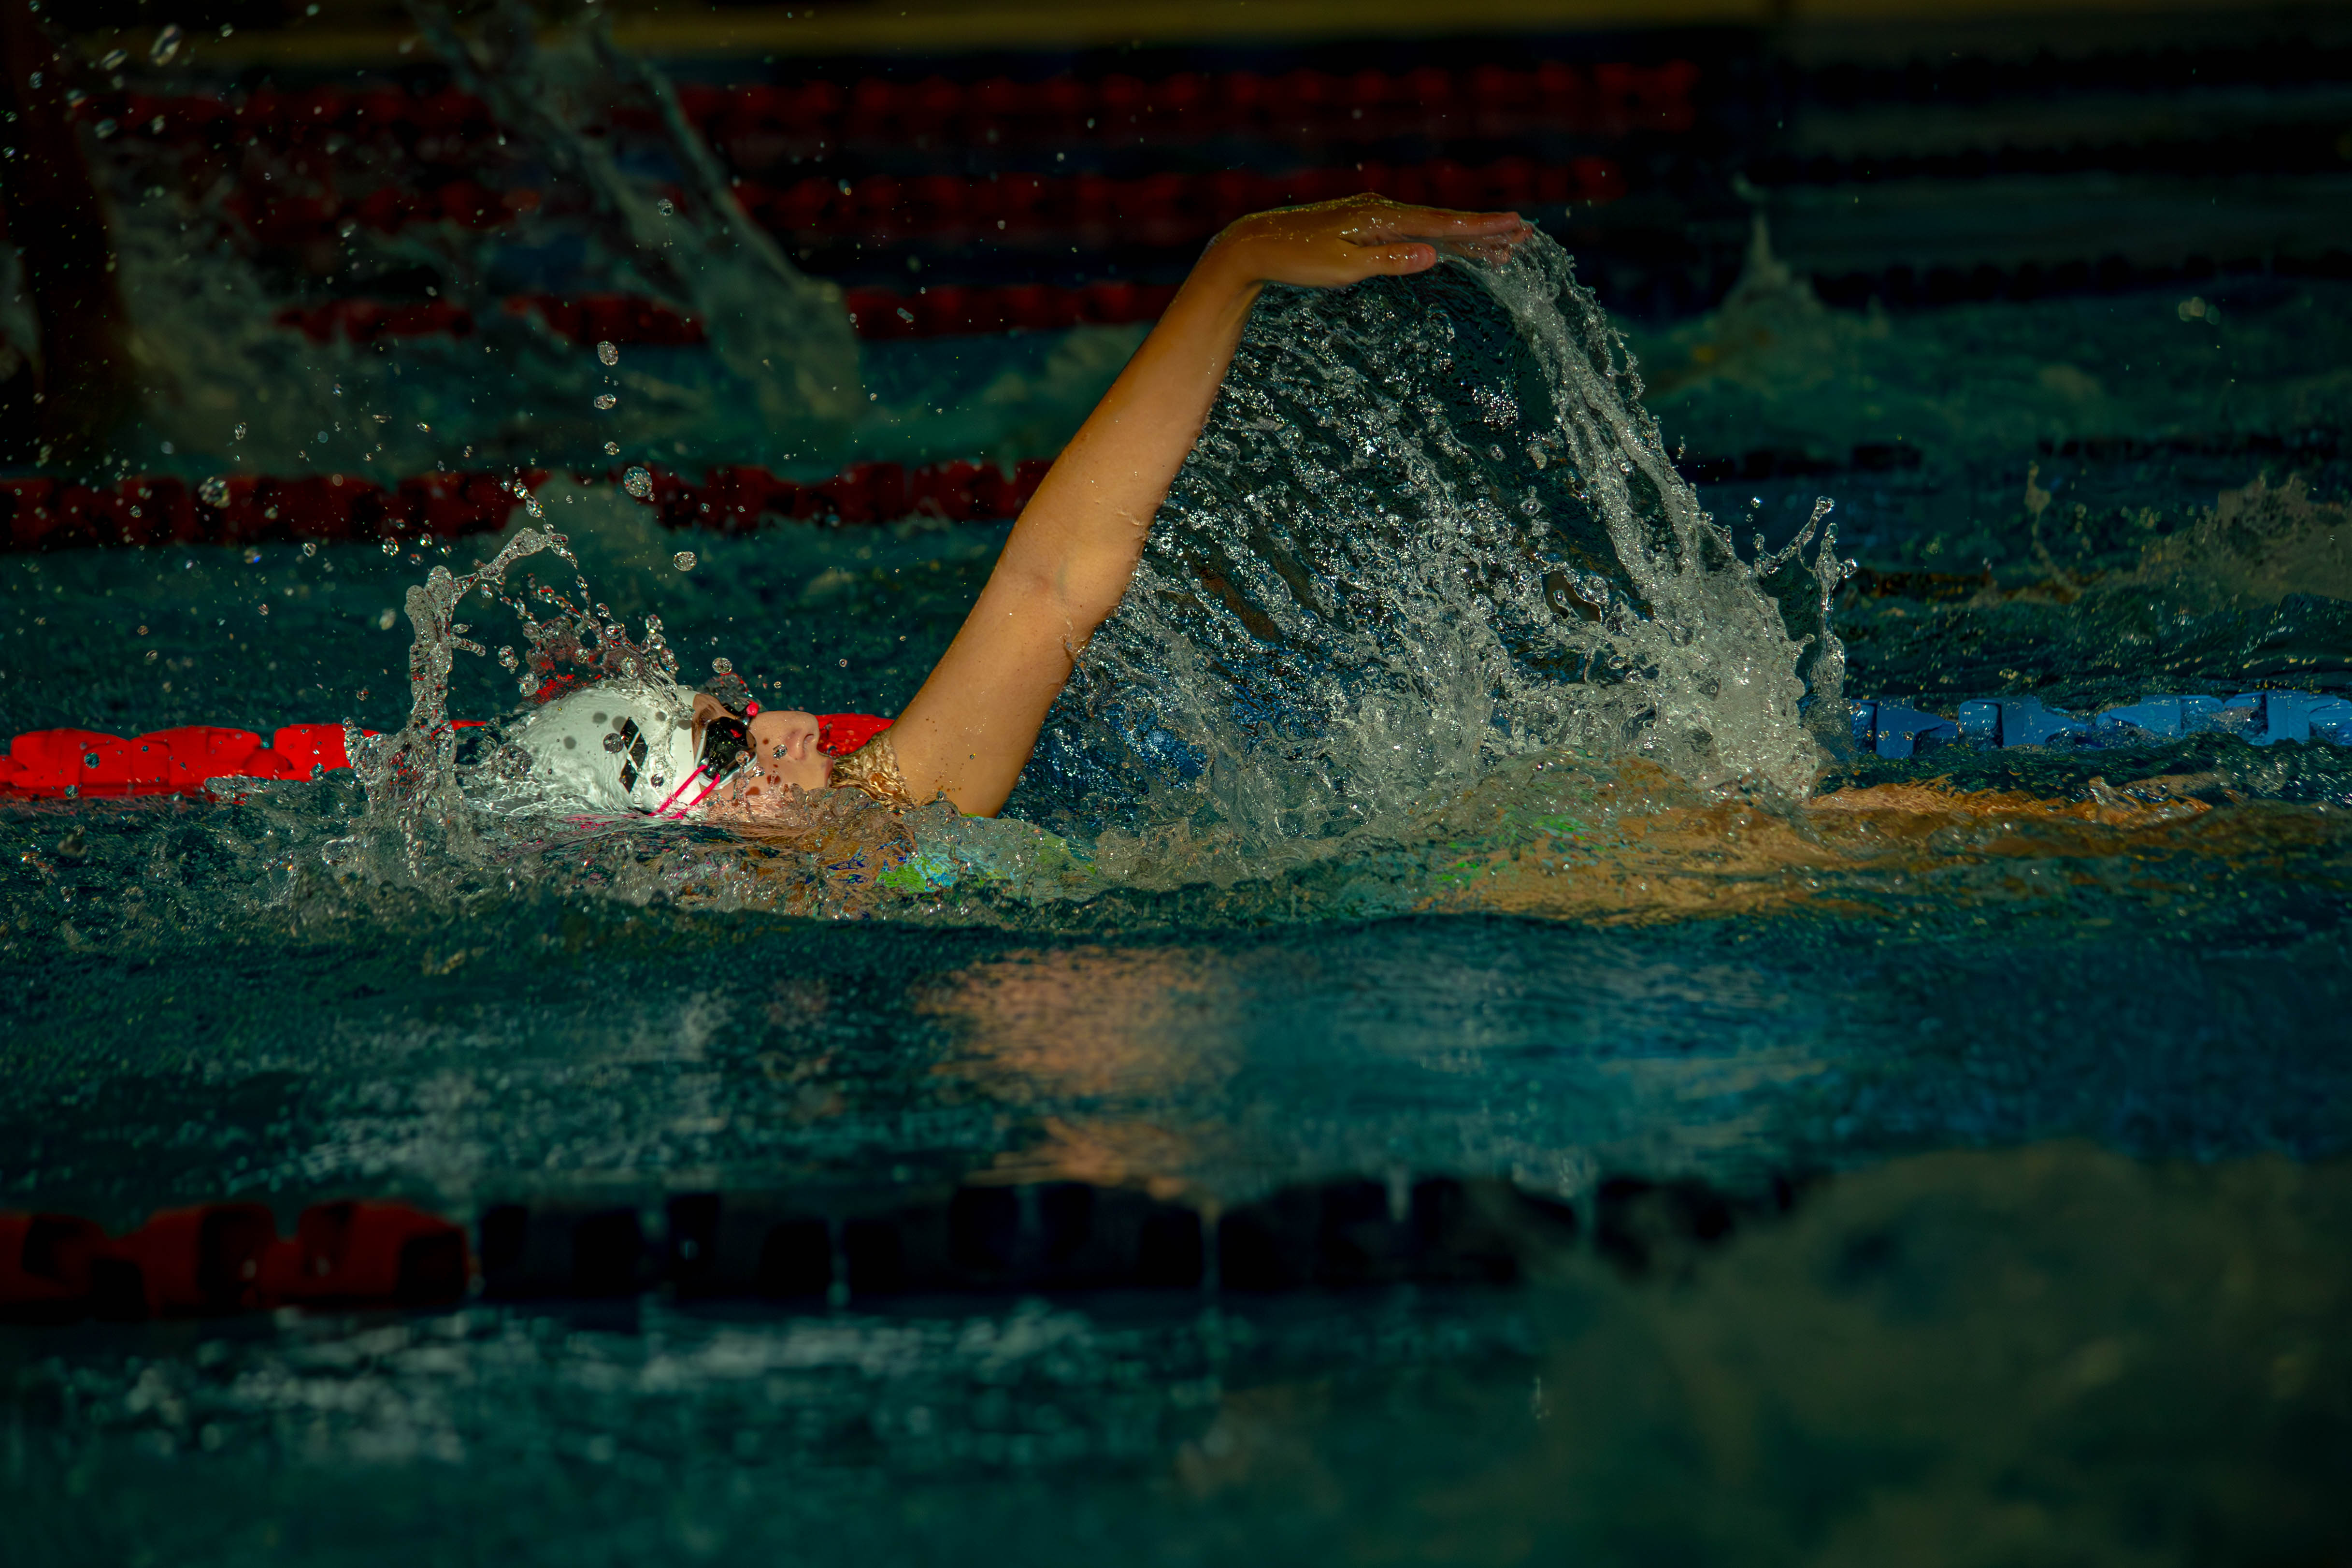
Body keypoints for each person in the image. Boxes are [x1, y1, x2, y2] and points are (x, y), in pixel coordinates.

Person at [516, 196, 1527, 823]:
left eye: (742, 722)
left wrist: (1236, 264)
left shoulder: (891, 804)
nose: (793, 725)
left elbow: (1052, 584)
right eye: (734, 748)